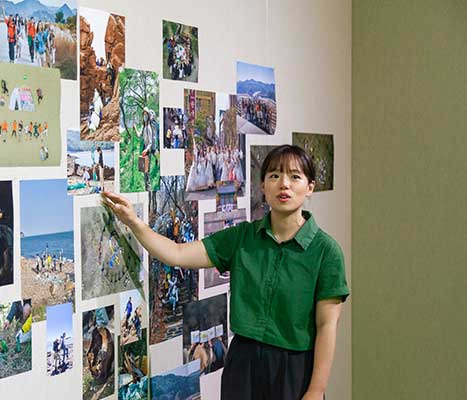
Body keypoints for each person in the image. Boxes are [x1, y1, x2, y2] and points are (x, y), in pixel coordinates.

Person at [102, 145, 349, 400]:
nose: (283, 184)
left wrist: (316, 390)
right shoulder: (242, 238)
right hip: (243, 364)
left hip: (294, 369)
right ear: (263, 186)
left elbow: (326, 325)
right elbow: (176, 253)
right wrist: (133, 221)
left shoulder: (326, 252)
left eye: (295, 176)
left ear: (310, 187)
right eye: (274, 176)